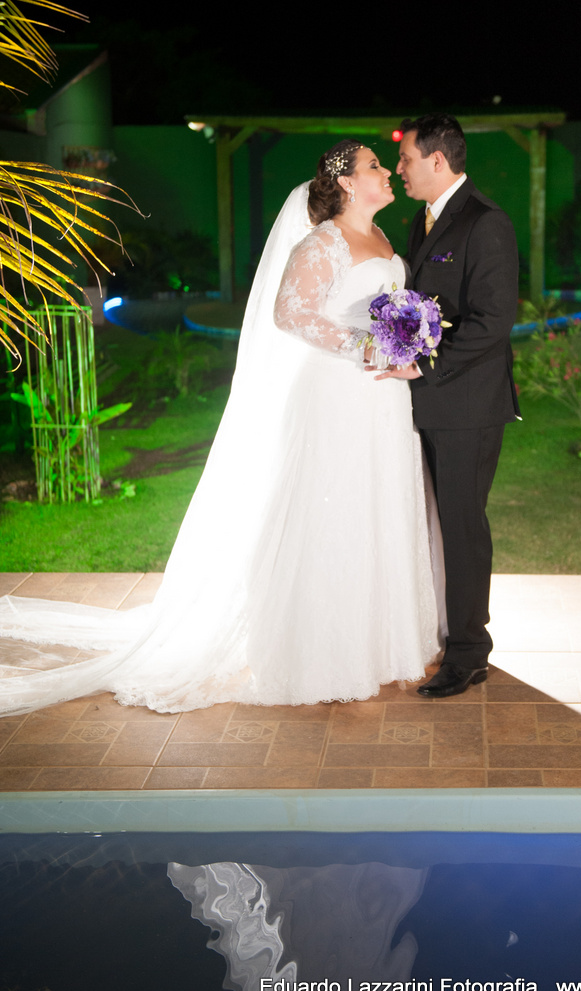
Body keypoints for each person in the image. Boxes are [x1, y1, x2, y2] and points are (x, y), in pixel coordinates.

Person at [0, 141, 441, 715]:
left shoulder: (383, 237)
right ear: (348, 184)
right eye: (375, 166)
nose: (387, 172)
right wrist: (369, 346)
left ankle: (379, 645)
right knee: (333, 510)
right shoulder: (322, 242)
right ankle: (326, 654)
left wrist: (407, 340)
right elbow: (290, 314)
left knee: (378, 506)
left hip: (384, 399)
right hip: (335, 394)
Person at [378, 114, 519, 698]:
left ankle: (468, 654)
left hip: (468, 407)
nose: (398, 169)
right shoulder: (424, 219)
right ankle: (443, 633)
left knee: (461, 528)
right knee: (436, 526)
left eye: (406, 159)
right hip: (430, 403)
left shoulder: (486, 222)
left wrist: (426, 366)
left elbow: (493, 321)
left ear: (437, 161)